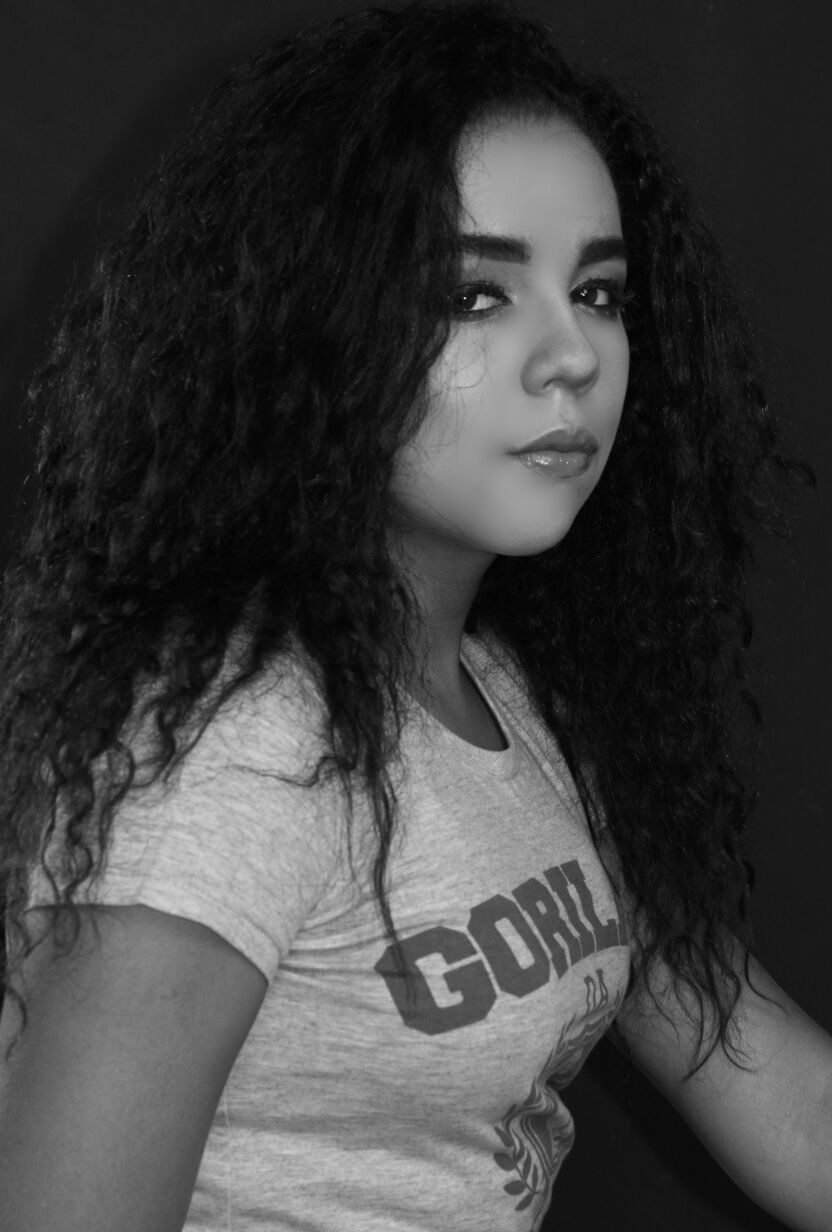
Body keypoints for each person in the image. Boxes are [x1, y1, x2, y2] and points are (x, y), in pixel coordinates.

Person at [0, 0, 829, 1228]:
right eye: (475, 294)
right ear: (312, 328)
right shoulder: (233, 754)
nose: (573, 355)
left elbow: (788, 1102)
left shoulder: (521, 700)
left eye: (597, 291)